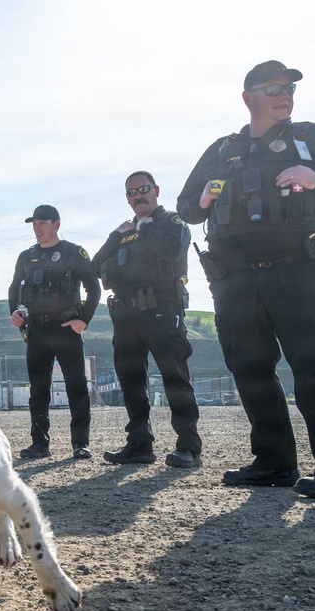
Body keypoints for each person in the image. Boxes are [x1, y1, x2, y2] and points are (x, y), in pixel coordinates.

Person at [176, 61, 315, 498]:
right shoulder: (222, 149)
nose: (285, 96)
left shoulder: (313, 137)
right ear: (248, 98)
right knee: (249, 370)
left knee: (314, 368)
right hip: (236, 278)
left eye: (289, 89)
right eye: (274, 89)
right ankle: (274, 463)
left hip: (301, 270)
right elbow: (186, 207)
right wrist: (204, 197)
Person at [93, 171, 202, 468]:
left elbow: (171, 251)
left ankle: (189, 447)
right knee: (131, 381)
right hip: (125, 315)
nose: (137, 196)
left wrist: (145, 227)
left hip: (161, 310)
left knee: (175, 378)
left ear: (155, 190)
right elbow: (95, 266)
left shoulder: (171, 222)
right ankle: (140, 445)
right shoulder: (124, 231)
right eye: (131, 193)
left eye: (143, 190)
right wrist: (117, 235)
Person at [8, 205, 101, 460]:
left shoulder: (74, 252)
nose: (37, 228)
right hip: (36, 330)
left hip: (66, 328)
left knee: (76, 387)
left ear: (56, 224)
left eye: (42, 223)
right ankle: (39, 445)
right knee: (38, 390)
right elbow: (14, 287)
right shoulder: (26, 256)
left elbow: (94, 287)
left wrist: (83, 320)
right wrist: (15, 312)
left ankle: (80, 443)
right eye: (34, 224)